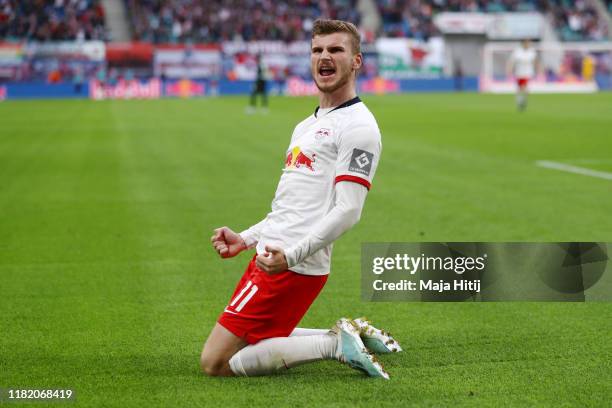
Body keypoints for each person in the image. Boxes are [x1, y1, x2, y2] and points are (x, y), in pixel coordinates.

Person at [201, 19, 401, 379]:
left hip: (292, 264)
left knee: (215, 363)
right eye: (317, 50)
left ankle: (334, 344)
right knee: (252, 342)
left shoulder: (359, 126)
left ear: (356, 61)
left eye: (336, 50)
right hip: (273, 254)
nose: (325, 57)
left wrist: (291, 255)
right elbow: (289, 207)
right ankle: (344, 333)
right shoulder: (305, 125)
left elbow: (349, 209)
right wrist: (245, 239)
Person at [507, 39, 538, 111]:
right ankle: (521, 101)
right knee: (521, 88)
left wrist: (538, 69)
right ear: (523, 43)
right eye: (526, 43)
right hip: (519, 73)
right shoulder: (517, 51)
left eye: (529, 43)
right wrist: (509, 69)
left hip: (528, 73)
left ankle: (522, 101)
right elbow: (512, 61)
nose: (528, 44)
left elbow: (535, 61)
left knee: (524, 88)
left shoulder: (531, 51)